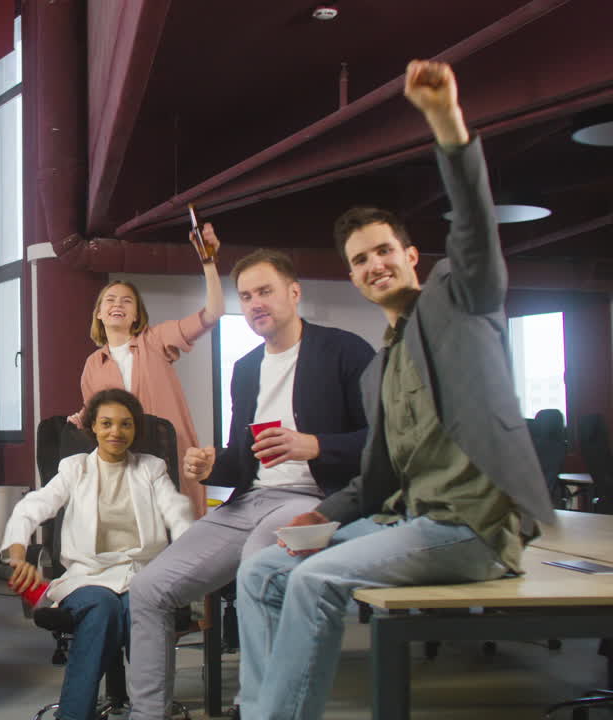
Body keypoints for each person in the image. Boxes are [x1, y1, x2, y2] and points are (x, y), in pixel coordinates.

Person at [234, 60, 556, 720]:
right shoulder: (379, 365)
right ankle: (264, 709)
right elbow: (377, 475)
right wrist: (319, 516)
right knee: (263, 569)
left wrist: (446, 121)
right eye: (359, 260)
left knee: (316, 581)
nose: (373, 265)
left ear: (411, 256)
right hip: (405, 522)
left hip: (471, 531)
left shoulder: (460, 303)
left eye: (383, 250)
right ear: (353, 278)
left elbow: (473, 225)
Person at [127, 249, 373, 720]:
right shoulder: (245, 368)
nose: (255, 302)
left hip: (313, 499)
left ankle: (255, 709)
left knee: (256, 570)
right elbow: (245, 461)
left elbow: (381, 443)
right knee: (149, 589)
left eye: (266, 291)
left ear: (294, 293)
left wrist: (315, 445)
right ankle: (147, 713)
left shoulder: (345, 351)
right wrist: (210, 465)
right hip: (250, 501)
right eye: (246, 296)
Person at [2, 388, 193, 720]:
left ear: (136, 430)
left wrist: (191, 560)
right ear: (93, 427)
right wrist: (18, 555)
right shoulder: (75, 468)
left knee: (140, 607)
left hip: (142, 574)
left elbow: (177, 513)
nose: (116, 433)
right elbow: (32, 508)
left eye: (125, 425)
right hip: (87, 576)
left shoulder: (152, 468)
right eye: (106, 424)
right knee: (103, 607)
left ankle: (150, 712)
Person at [74, 225, 224, 514]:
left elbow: (213, 313)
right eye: (110, 300)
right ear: (99, 313)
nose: (118, 304)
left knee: (179, 527)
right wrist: (79, 417)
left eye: (126, 301)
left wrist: (209, 262)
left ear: (135, 315)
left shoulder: (155, 340)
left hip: (168, 450)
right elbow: (94, 415)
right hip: (125, 457)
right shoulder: (93, 364)